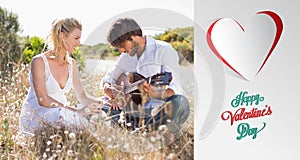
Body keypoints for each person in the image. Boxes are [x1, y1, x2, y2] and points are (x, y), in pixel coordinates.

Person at [100, 17, 190, 142]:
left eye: (122, 45)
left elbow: (176, 87)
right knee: (97, 105)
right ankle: (146, 131)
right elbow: (109, 78)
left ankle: (140, 131)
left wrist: (157, 94)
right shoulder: (125, 57)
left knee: (180, 103)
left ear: (134, 36)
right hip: (133, 111)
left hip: (157, 112)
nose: (121, 50)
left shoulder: (164, 50)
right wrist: (108, 89)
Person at [18, 17, 102, 136]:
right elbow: (43, 100)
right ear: (62, 36)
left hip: (62, 113)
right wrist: (77, 111)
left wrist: (100, 104)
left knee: (96, 119)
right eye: (76, 38)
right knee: (70, 119)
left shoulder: (72, 64)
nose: (79, 43)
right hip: (38, 116)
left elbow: (82, 96)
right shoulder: (39, 61)